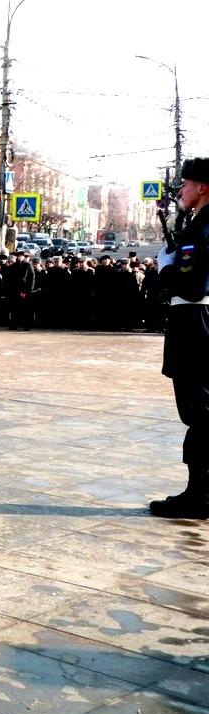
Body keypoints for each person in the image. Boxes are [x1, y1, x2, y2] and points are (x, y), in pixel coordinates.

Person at [152, 157, 209, 519]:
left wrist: (165, 267)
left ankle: (199, 496)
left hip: (195, 323)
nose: (182, 191)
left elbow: (192, 286)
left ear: (202, 187)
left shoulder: (202, 227)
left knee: (200, 412)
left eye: (186, 184)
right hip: (200, 321)